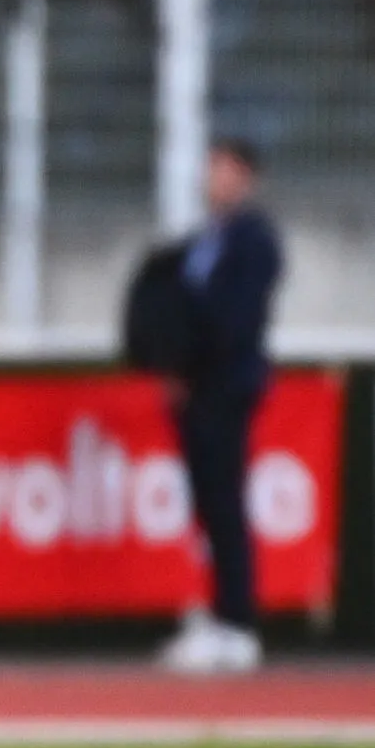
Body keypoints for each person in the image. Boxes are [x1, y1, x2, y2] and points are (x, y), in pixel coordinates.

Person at [158, 137, 283, 674]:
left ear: (245, 176)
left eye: (224, 169)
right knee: (208, 504)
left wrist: (197, 357)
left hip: (225, 387)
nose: (214, 179)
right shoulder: (205, 238)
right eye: (210, 168)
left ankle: (238, 623)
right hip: (196, 388)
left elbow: (236, 318)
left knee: (226, 503)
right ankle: (220, 614)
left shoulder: (256, 240)